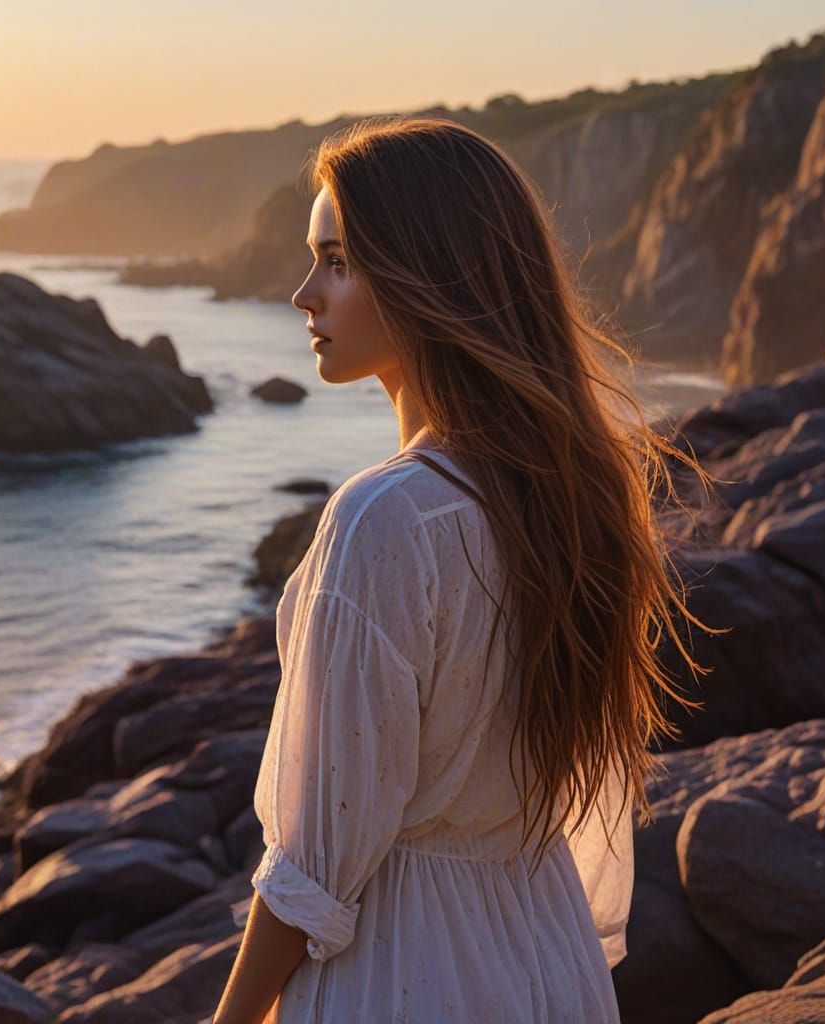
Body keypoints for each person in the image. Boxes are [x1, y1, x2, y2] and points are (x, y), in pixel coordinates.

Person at [213, 116, 719, 1024]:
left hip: (403, 973)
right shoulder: (573, 499)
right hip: (548, 957)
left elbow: (315, 865)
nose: (302, 294)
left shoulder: (386, 520)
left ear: (425, 280)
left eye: (336, 261)